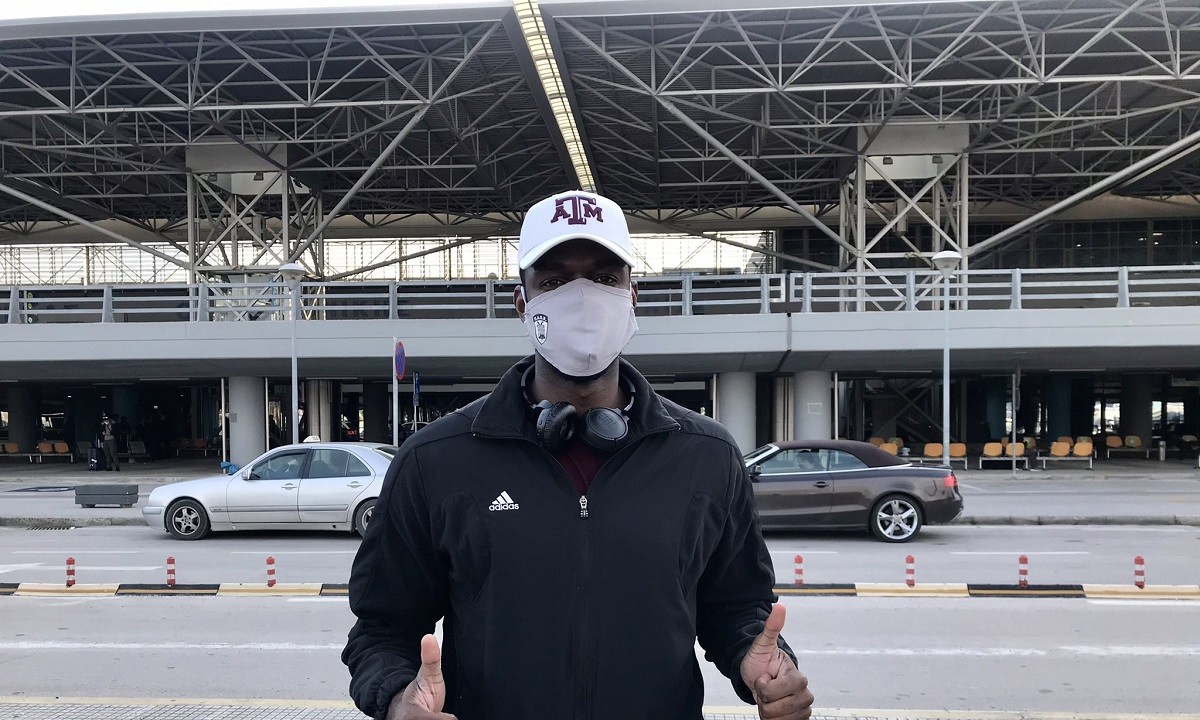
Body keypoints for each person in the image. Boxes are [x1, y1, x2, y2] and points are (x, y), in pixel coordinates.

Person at [343, 190, 813, 720]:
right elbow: (382, 628)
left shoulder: (706, 456)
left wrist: (760, 665)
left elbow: (738, 606)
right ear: (522, 305)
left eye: (605, 278)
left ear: (632, 297)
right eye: (554, 281)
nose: (583, 299)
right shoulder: (436, 461)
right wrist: (397, 698)